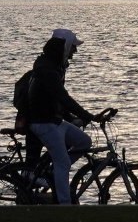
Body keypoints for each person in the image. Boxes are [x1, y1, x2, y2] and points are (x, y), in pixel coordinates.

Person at [27, 28, 96, 205]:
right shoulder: (48, 70)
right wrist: (86, 115)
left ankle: (53, 172)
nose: (75, 51)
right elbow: (62, 97)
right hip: (43, 122)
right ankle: (64, 204)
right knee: (63, 161)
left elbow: (56, 99)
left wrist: (72, 117)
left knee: (84, 142)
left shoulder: (53, 66)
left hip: (53, 120)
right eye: (73, 47)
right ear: (63, 47)